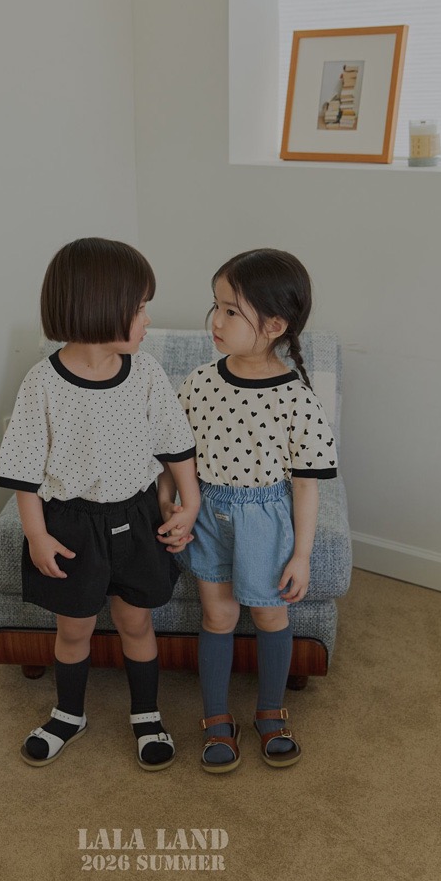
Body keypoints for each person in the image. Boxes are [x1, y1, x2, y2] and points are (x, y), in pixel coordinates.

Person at [0, 237, 200, 771]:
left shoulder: (146, 373)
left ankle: (147, 715)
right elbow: (23, 470)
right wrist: (37, 535)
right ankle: (68, 713)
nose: (148, 320)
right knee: (73, 630)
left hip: (137, 519)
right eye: (140, 308)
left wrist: (190, 502)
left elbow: (176, 444)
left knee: (136, 623)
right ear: (99, 307)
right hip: (71, 526)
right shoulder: (42, 383)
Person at [161, 249, 337, 773]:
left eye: (231, 311)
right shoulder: (198, 381)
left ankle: (269, 711)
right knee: (217, 615)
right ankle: (216, 717)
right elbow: (175, 456)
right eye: (215, 306)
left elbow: (306, 486)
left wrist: (301, 555)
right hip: (207, 514)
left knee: (269, 613)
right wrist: (169, 501)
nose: (216, 321)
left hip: (267, 521)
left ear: (274, 326)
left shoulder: (297, 399)